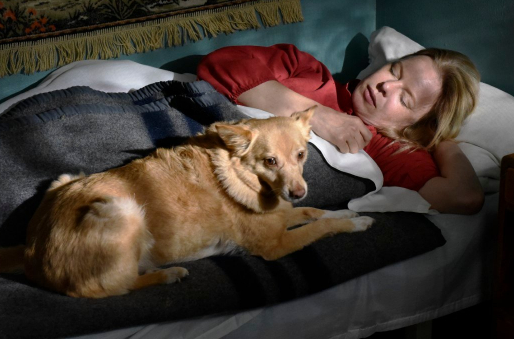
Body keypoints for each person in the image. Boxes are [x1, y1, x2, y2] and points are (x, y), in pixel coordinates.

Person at [197, 44, 484, 214]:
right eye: (395, 70)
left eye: (405, 99)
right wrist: (317, 115)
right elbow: (219, 62)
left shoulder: (387, 151)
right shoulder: (311, 73)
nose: (387, 86)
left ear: (417, 124)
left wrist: (441, 139)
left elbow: (464, 197)